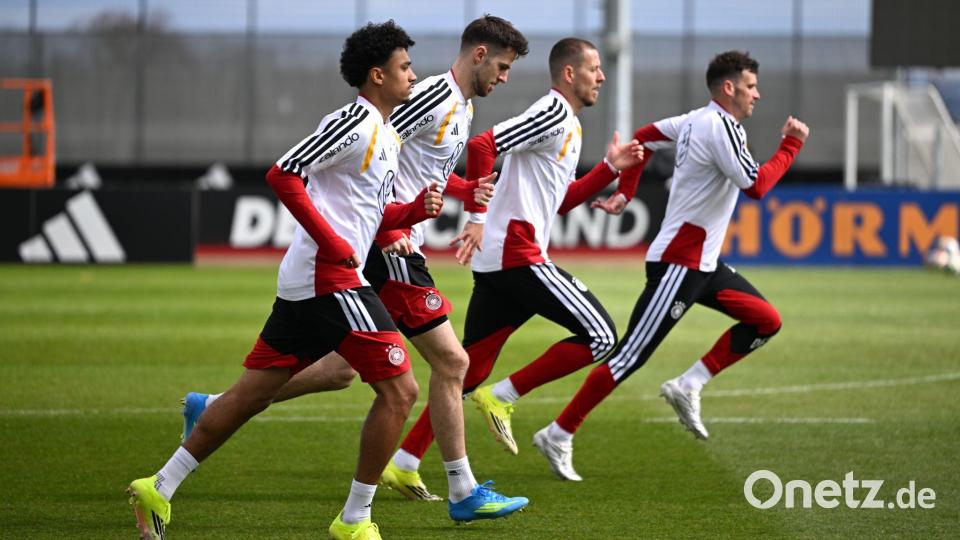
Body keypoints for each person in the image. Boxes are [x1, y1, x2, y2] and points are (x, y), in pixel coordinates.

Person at [179, 15, 531, 518]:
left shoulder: (462, 106)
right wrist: (387, 231)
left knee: (340, 371)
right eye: (502, 66)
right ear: (479, 55)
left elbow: (411, 168)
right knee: (453, 363)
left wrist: (462, 189)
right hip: (390, 248)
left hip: (391, 240)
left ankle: (216, 405)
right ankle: (460, 489)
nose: (505, 77)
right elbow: (377, 151)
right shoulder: (433, 97)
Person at [127, 21, 446, 540]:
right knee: (401, 391)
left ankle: (158, 485)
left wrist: (414, 211)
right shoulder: (354, 122)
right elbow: (283, 173)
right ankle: (354, 520)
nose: (413, 75)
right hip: (329, 279)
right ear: (377, 75)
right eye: (405, 67)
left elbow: (371, 215)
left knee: (249, 396)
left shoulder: (386, 135)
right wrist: (332, 242)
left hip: (315, 280)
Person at [532, 50, 810, 482]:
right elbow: (756, 186)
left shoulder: (695, 120)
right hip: (680, 263)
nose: (757, 94)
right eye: (751, 86)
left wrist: (625, 192)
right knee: (629, 356)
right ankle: (558, 432)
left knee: (765, 320)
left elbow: (642, 138)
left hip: (703, 263)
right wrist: (791, 144)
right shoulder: (720, 126)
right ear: (729, 88)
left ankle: (688, 384)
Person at [417, 37, 643, 465]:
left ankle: (405, 463)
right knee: (601, 335)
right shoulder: (553, 112)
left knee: (468, 369)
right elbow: (483, 145)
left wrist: (609, 168)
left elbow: (563, 200)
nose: (602, 76)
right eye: (594, 68)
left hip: (503, 257)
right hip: (515, 253)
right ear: (569, 73)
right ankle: (503, 396)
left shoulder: (569, 124)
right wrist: (477, 217)